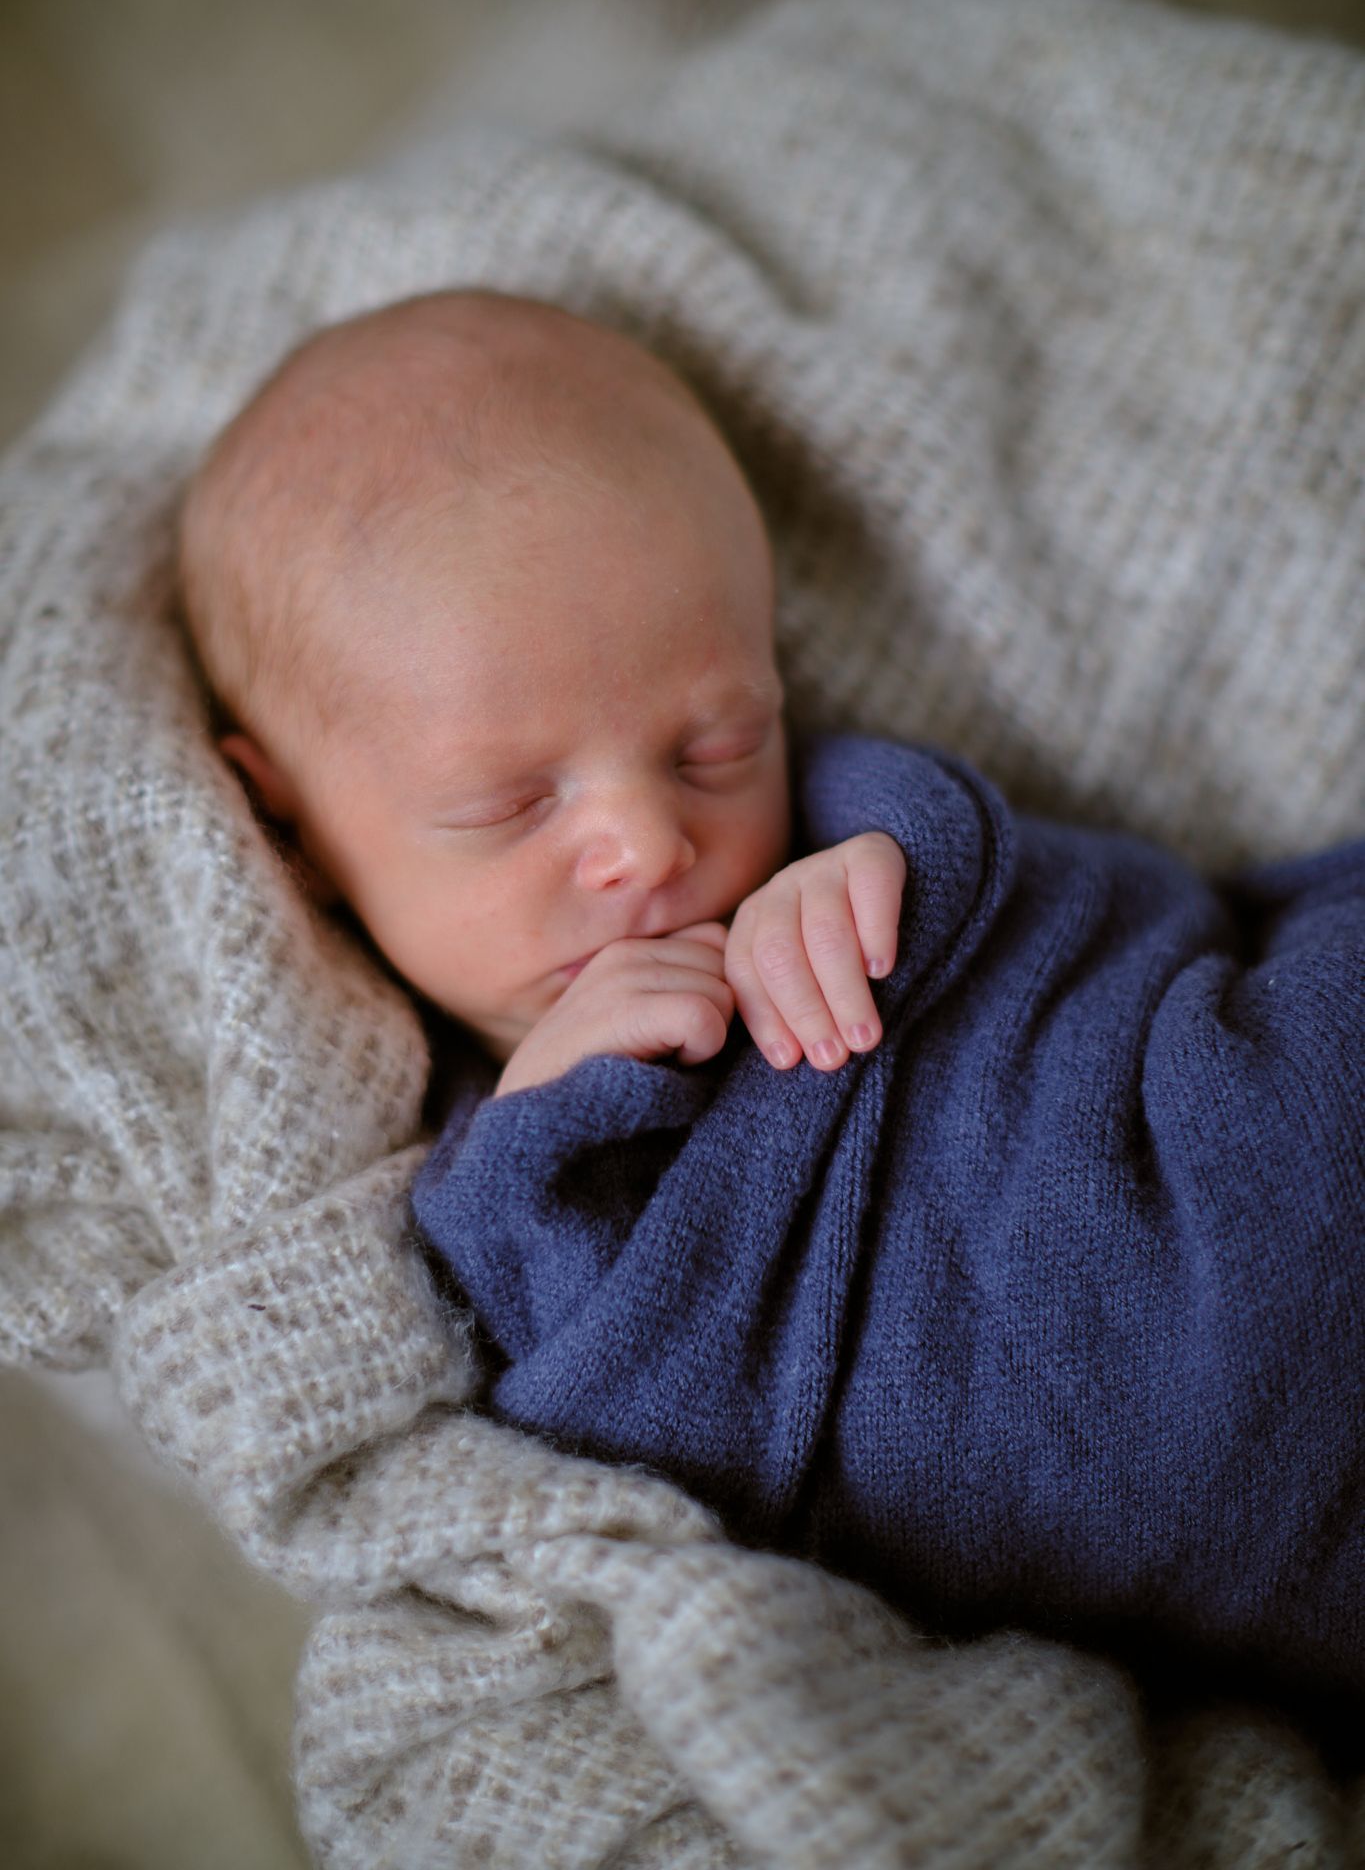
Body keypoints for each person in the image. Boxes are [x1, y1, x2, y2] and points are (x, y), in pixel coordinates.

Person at [179, 286, 1365, 1701]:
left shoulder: (832, 851)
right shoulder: (486, 1160)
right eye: (509, 804)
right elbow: (595, 1425)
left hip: (1253, 1135)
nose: (647, 846)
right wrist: (547, 1129)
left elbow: (1085, 921)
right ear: (294, 826)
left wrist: (884, 867)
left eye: (713, 744)